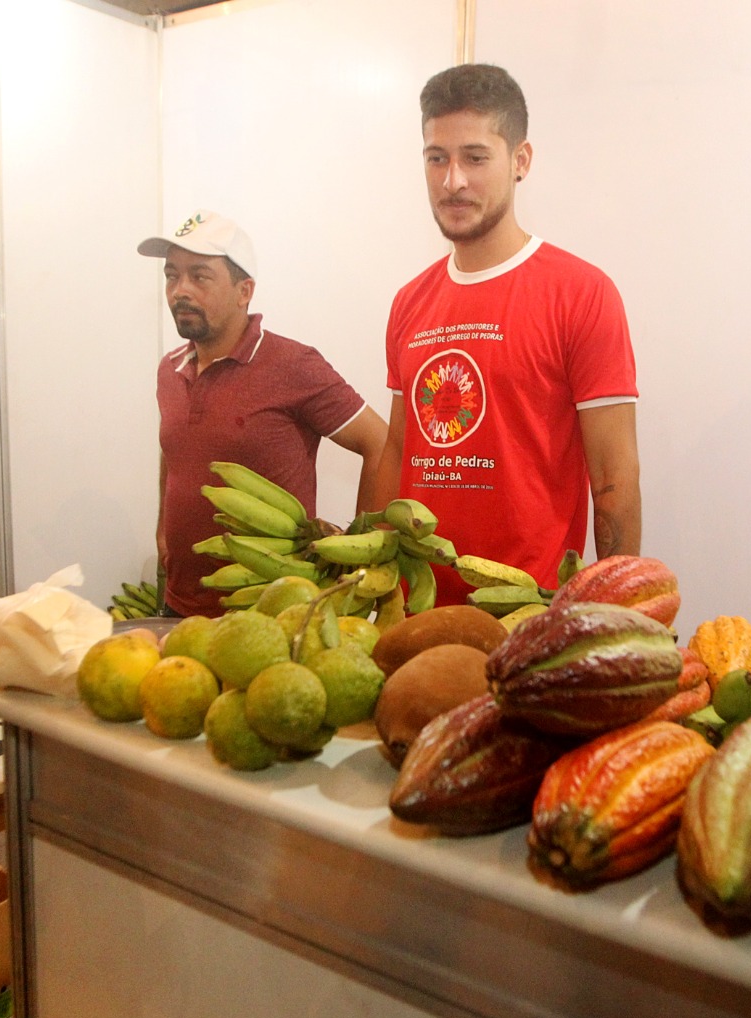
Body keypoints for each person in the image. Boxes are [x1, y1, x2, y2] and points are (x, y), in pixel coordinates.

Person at [367, 63, 642, 605]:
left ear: (520, 161)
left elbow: (613, 474)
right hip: (414, 610)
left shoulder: (581, 293)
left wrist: (617, 615)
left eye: (475, 157)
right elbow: (398, 451)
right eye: (436, 158)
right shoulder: (408, 302)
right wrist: (371, 577)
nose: (453, 181)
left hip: (526, 613)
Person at [139, 210, 387, 617]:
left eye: (199, 276)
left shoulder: (293, 365)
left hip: (274, 613)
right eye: (172, 275)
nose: (180, 290)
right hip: (180, 604)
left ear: (244, 291)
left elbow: (379, 441)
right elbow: (175, 451)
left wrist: (361, 549)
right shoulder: (170, 369)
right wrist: (163, 532)